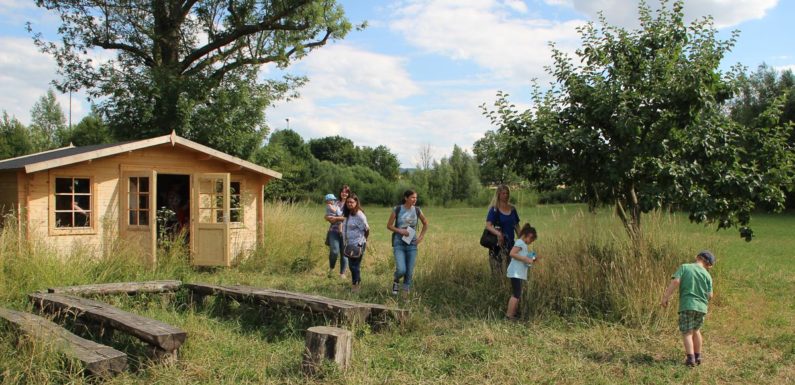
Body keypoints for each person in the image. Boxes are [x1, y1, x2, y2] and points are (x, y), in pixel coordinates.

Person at [660, 250, 716, 367]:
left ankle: (690, 358)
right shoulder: (708, 275)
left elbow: (676, 281)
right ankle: (698, 356)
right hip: (702, 307)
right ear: (709, 265)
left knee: (687, 332)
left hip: (687, 305)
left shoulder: (685, 267)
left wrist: (665, 297)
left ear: (697, 257)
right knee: (696, 330)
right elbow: (710, 295)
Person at [387, 189, 428, 296]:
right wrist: (400, 230)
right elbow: (389, 225)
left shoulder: (417, 210)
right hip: (399, 243)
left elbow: (425, 223)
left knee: (409, 272)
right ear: (406, 198)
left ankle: (404, 296)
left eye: (416, 197)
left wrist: (420, 237)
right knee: (401, 270)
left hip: (412, 244)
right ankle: (396, 279)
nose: (415, 199)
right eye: (412, 197)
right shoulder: (397, 209)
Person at [505, 224, 540, 320]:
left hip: (518, 273)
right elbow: (512, 253)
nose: (531, 242)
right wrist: (525, 259)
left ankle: (513, 313)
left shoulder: (523, 245)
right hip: (515, 273)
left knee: (517, 294)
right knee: (516, 294)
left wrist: (532, 258)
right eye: (531, 240)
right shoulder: (520, 243)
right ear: (528, 235)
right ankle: (509, 315)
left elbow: (524, 258)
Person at [485, 185, 521, 277]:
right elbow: (488, 226)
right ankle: (498, 286)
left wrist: (522, 241)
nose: (506, 195)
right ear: (498, 194)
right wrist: (499, 234)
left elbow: (517, 226)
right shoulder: (494, 209)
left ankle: (509, 286)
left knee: (511, 272)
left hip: (510, 245)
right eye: (503, 193)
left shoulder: (512, 209)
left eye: (507, 193)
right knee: (497, 274)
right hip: (497, 245)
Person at [342, 193, 369, 293]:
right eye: (348, 202)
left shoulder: (359, 215)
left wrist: (363, 241)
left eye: (351, 202)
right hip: (349, 244)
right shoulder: (348, 213)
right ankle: (357, 282)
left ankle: (355, 286)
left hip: (358, 244)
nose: (349, 204)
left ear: (356, 202)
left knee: (354, 265)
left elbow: (367, 229)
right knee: (351, 266)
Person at [324, 193, 346, 278]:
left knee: (344, 253)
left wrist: (337, 218)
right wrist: (328, 218)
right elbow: (326, 216)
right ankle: (331, 268)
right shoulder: (335, 203)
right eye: (343, 191)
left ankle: (342, 273)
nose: (344, 193)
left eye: (347, 192)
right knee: (334, 251)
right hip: (333, 230)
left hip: (346, 232)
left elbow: (347, 217)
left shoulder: (351, 203)